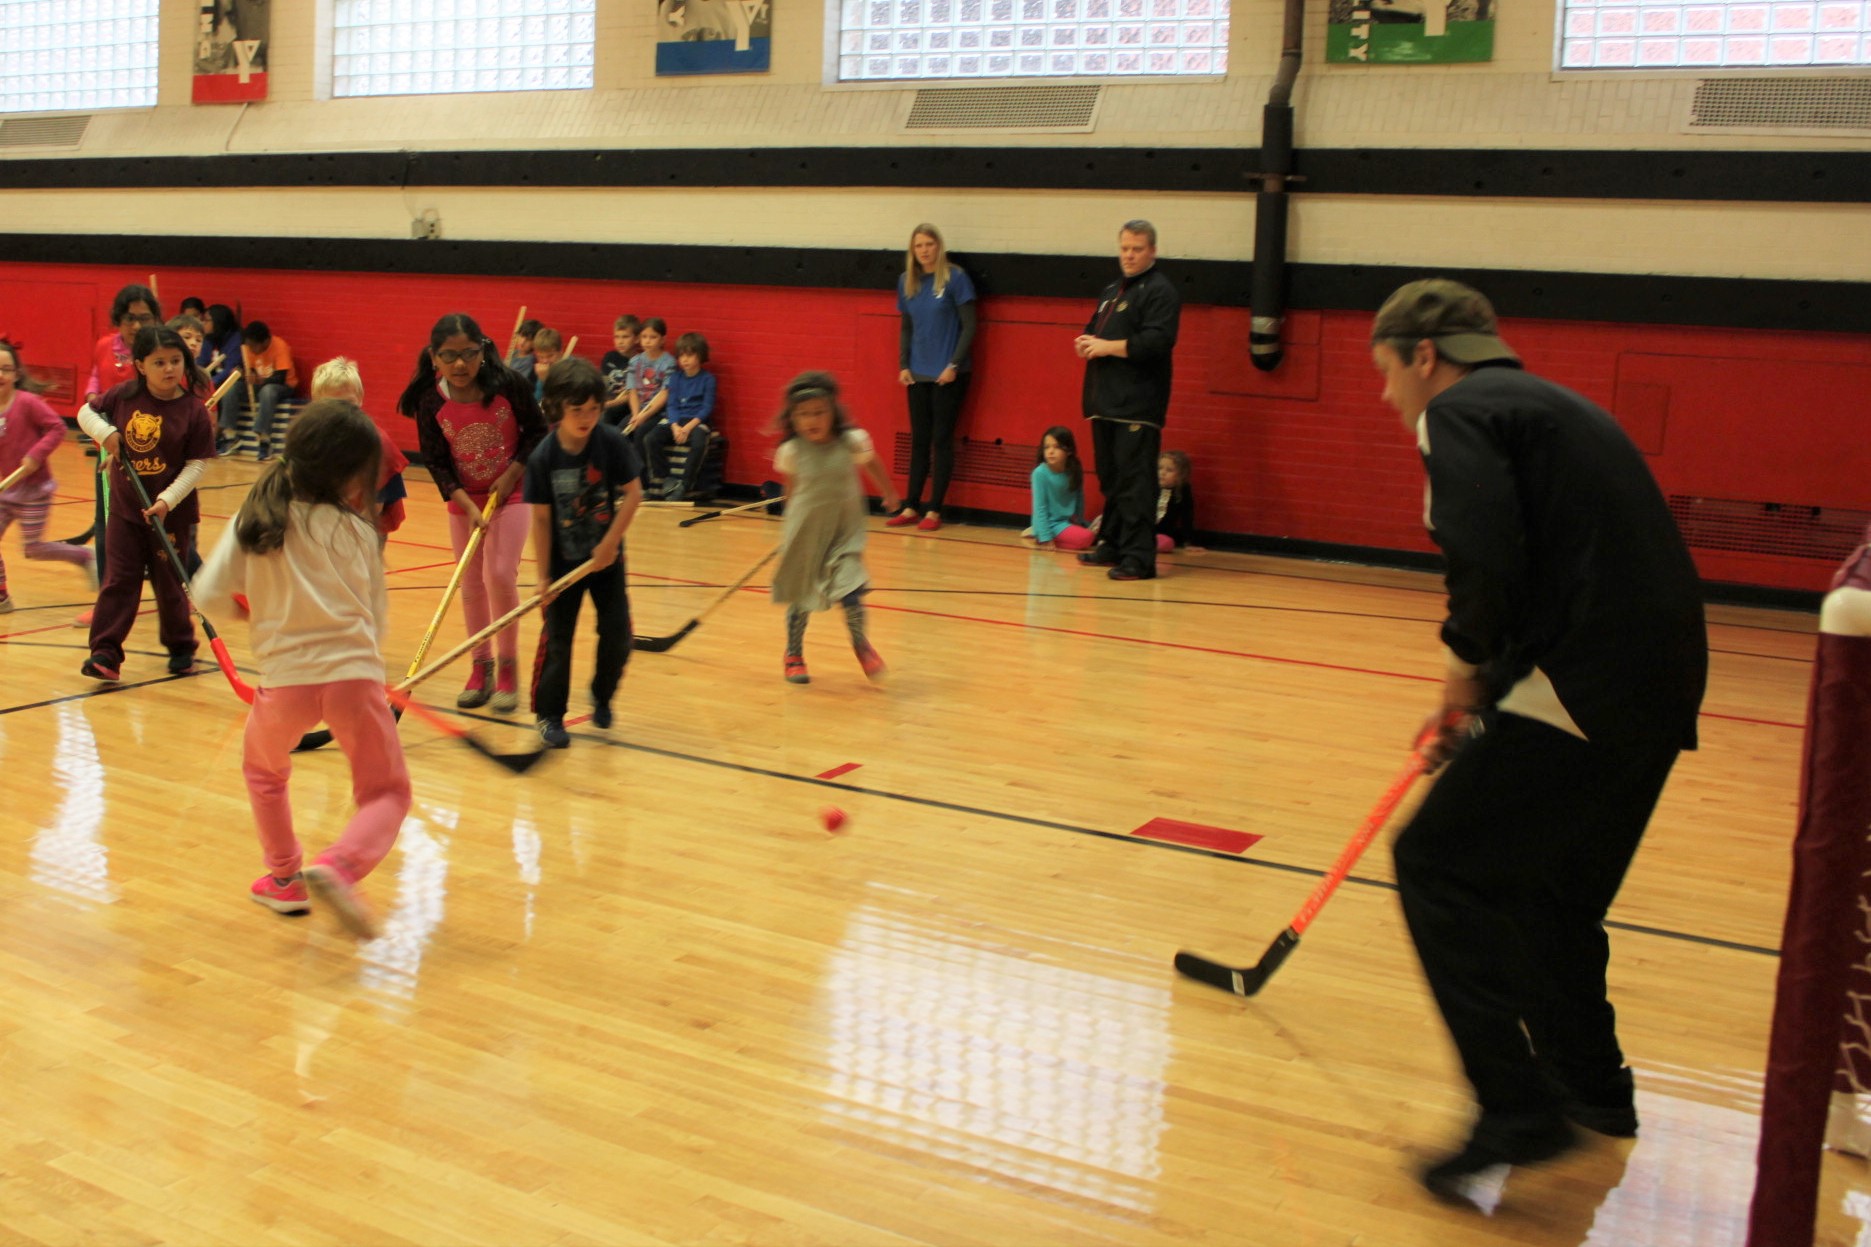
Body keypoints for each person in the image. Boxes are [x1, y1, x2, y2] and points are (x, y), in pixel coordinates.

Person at [1368, 278, 1708, 1203]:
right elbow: (1545, 568)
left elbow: (1486, 557)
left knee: (1438, 863)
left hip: (1585, 680)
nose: (1387, 395)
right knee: (1551, 899)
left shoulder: (1463, 410)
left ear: (1424, 355)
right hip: (1656, 683)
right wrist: (1477, 711)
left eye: (1386, 372)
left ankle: (1513, 1106)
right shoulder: (1548, 406)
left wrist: (1461, 672)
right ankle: (1591, 1092)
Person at [193, 399, 410, 941]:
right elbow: (374, 617)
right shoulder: (360, 533)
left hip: (283, 682)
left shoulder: (256, 519)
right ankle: (341, 865)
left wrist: (247, 608)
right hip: (354, 677)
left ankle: (285, 878)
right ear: (351, 476)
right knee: (386, 793)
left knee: (265, 773)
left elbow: (207, 594)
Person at [399, 312, 547, 714]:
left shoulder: (509, 386)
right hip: (463, 499)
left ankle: (507, 667)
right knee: (470, 584)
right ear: (434, 358)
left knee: (499, 575)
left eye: (468, 353)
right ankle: (479, 664)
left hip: (512, 492)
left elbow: (537, 432)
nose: (460, 364)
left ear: (483, 351)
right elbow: (436, 461)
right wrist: (465, 503)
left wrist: (512, 473)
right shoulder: (431, 401)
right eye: (450, 356)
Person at [75, 326, 216, 682]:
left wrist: (167, 500)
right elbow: (85, 413)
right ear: (140, 365)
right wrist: (106, 433)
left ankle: (181, 647)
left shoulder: (193, 411)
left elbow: (196, 465)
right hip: (126, 510)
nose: (169, 369)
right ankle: (105, 652)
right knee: (119, 580)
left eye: (175, 361)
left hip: (172, 515)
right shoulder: (123, 396)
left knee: (170, 585)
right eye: (159, 362)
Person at [524, 358, 643, 748]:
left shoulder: (610, 443)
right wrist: (543, 576)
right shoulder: (543, 458)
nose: (588, 417)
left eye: (594, 409)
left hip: (607, 561)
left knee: (618, 636)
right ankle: (549, 715)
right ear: (558, 407)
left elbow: (633, 494)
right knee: (558, 641)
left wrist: (610, 542)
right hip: (562, 565)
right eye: (578, 410)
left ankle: (602, 695)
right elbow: (541, 521)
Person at [770, 372, 899, 685]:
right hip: (806, 534)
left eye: (819, 412)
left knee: (852, 589)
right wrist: (790, 527)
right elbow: (792, 489)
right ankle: (794, 654)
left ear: (833, 411)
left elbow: (871, 462)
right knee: (801, 597)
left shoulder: (851, 441)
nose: (811, 420)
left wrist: (889, 491)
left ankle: (860, 643)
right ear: (792, 418)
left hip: (844, 534)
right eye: (803, 414)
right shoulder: (791, 451)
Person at [1074, 219, 1180, 582]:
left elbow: (1157, 342)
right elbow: (1095, 331)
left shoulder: (1160, 291)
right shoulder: (1112, 291)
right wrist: (1086, 342)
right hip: (1104, 402)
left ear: (1152, 251)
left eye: (1137, 249)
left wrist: (1107, 347)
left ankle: (1139, 558)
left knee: (1136, 484)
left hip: (1137, 404)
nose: (1129, 255)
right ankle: (1114, 543)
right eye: (1124, 248)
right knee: (1112, 480)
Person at [74, 284, 161, 626]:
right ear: (118, 320)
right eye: (130, 318)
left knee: (163, 525)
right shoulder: (103, 348)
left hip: (154, 452)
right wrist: (101, 423)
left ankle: (186, 591)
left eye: (145, 317)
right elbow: (93, 389)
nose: (137, 325)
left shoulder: (161, 349)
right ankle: (107, 602)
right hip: (110, 451)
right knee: (106, 524)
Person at [888, 223, 977, 534]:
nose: (924, 250)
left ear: (939, 246)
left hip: (948, 375)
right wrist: (903, 364)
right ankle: (911, 504)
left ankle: (935, 509)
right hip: (917, 373)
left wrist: (953, 364)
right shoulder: (906, 282)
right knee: (919, 442)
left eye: (929, 244)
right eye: (918, 245)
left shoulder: (956, 278)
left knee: (941, 441)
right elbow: (906, 327)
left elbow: (969, 326)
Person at [0, 338, 97, 610]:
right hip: (7, 491)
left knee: (33, 548)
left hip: (35, 491)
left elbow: (57, 428)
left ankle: (83, 557)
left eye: (6, 369)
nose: (0, 375)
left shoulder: (27, 402)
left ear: (17, 374)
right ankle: (2, 596)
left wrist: (35, 455)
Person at [310, 356, 409, 536]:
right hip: (325, 528)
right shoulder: (313, 440)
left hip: (364, 529)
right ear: (316, 403)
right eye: (331, 405)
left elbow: (376, 506)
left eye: (347, 403)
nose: (341, 412)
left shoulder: (377, 442)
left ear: (360, 398)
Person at [642, 331, 716, 500]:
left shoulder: (708, 379)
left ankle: (684, 484)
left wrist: (688, 428)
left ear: (700, 355)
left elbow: (706, 408)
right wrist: (675, 426)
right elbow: (672, 405)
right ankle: (666, 479)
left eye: (689, 355)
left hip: (696, 422)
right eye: (682, 355)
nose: (685, 360)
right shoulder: (675, 378)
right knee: (651, 438)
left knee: (698, 442)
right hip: (676, 421)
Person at [235, 320, 298, 461]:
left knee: (267, 390)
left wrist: (258, 381)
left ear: (265, 342)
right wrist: (244, 373)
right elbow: (249, 367)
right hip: (260, 384)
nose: (250, 349)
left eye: (253, 346)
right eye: (248, 345)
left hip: (283, 386)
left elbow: (280, 377)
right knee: (234, 388)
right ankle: (229, 435)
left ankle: (264, 439)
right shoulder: (248, 348)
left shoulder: (279, 346)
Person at [1028, 425, 1092, 552]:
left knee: (1102, 529)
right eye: (1047, 447)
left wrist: (1078, 521)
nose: (1050, 452)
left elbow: (1079, 498)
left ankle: (1040, 532)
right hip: (1052, 524)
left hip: (1067, 522)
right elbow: (1039, 507)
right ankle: (1039, 532)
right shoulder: (1040, 473)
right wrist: (1046, 537)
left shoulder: (1074, 469)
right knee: (1088, 537)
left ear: (1068, 450)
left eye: (1056, 447)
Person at [621, 317, 675, 454]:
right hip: (638, 412)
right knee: (618, 434)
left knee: (641, 434)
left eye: (653, 337)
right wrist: (635, 414)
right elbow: (632, 390)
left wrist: (644, 416)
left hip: (658, 413)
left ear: (662, 339)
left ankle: (643, 474)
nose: (647, 341)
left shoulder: (669, 362)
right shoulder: (635, 361)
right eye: (644, 337)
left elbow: (664, 393)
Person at [600, 315, 641, 425]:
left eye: (625, 337)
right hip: (608, 400)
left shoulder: (640, 362)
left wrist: (611, 403)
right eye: (617, 337)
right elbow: (603, 384)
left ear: (637, 339)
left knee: (607, 414)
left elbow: (636, 395)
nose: (620, 341)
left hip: (626, 404)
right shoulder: (609, 357)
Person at [1155, 449, 1198, 552]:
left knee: (1166, 543)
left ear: (1181, 475)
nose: (1162, 473)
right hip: (1142, 532)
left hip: (1163, 535)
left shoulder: (1182, 491)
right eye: (1159, 468)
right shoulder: (1150, 486)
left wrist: (1188, 542)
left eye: (1169, 470)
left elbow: (1186, 517)